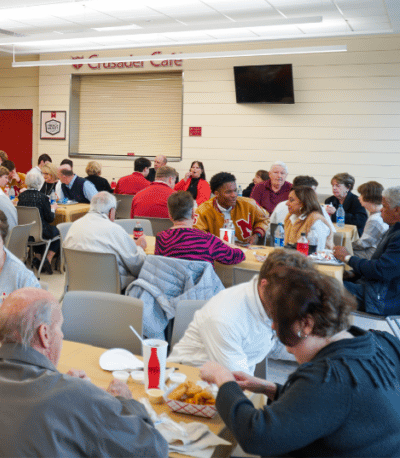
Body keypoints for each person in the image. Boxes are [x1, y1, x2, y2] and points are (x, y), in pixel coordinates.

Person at [199, 265, 400, 457]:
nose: (275, 330)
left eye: (279, 323)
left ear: (305, 324)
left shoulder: (329, 376)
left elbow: (257, 435)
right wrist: (271, 389)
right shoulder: (381, 342)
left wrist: (223, 377)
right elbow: (329, 408)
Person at [0, 287, 168, 458]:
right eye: (60, 327)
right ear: (44, 333)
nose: (62, 335)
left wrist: (67, 387)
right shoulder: (74, 395)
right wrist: (124, 400)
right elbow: (154, 449)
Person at [169, 249, 311, 374]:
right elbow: (239, 383)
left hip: (232, 379)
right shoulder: (226, 318)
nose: (292, 305)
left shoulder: (269, 303)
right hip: (196, 386)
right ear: (264, 285)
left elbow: (273, 344)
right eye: (287, 295)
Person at [334, 185, 400, 315]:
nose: (381, 210)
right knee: (327, 280)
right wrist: (353, 274)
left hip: (379, 298)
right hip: (373, 288)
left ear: (397, 210)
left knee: (320, 287)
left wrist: (348, 258)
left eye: (385, 206)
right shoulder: (394, 228)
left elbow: (381, 270)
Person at [64, 192, 147, 289]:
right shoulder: (115, 230)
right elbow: (137, 265)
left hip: (77, 284)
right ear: (112, 211)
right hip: (110, 287)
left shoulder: (75, 226)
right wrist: (139, 248)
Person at [156, 191, 245, 265]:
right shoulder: (207, 239)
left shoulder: (161, 238)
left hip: (173, 285)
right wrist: (221, 241)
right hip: (202, 285)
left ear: (170, 216)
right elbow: (238, 256)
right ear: (193, 214)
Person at [195, 172, 270, 245]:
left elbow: (265, 219)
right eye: (228, 192)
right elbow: (197, 234)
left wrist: (257, 235)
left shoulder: (249, 204)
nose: (234, 195)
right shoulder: (203, 210)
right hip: (217, 252)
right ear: (216, 194)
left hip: (246, 249)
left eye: (235, 190)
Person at [17, 170, 60, 275]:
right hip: (40, 232)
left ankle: (37, 258)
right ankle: (48, 259)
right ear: (40, 183)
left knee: (36, 227)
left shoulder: (21, 197)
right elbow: (50, 218)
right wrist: (53, 209)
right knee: (58, 231)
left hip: (25, 232)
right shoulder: (43, 198)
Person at [283, 185, 333, 251]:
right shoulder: (291, 217)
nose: (287, 203)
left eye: (291, 200)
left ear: (303, 203)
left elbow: (317, 252)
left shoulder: (316, 221)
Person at [353, 181, 389, 259]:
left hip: (372, 255)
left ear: (368, 197)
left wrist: (345, 245)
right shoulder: (379, 213)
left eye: (361, 195)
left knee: (339, 253)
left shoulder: (375, 219)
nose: (359, 198)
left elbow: (363, 244)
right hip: (377, 252)